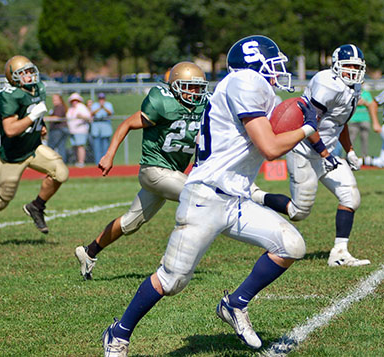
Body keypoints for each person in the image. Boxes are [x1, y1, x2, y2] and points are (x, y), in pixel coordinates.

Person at [101, 35, 318, 356]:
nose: (278, 71)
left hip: (236, 199)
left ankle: (235, 304)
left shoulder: (255, 90)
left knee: (290, 246)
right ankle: (118, 332)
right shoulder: (244, 81)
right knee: (172, 281)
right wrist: (306, 129)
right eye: (274, 64)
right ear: (256, 64)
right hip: (206, 198)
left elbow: (275, 129)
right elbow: (270, 148)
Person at [74, 62, 209, 280]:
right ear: (175, 87)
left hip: (171, 173)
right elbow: (126, 124)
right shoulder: (162, 102)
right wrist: (109, 155)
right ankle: (170, 261)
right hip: (154, 170)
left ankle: (89, 252)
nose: (195, 92)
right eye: (189, 87)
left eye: (198, 87)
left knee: (130, 223)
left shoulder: (204, 107)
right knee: (200, 198)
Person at [251, 44, 370, 267]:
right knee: (298, 213)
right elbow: (309, 124)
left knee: (351, 197)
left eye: (357, 66)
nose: (353, 71)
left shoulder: (353, 88)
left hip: (327, 154)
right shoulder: (327, 84)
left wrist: (350, 150)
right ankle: (255, 195)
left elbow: (339, 123)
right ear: (336, 67)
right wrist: (325, 153)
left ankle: (340, 252)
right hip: (304, 151)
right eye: (348, 66)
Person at [0, 55, 69, 247]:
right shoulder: (8, 94)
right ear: (13, 77)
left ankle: (36, 206)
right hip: (13, 156)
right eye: (23, 73)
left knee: (61, 172)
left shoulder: (38, 88)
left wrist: (40, 127)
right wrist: (34, 117)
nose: (29, 75)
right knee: (1, 200)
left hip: (33, 148)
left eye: (30, 70)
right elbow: (10, 130)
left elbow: (34, 118)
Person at [66, 92, 91, 167]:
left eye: (76, 100)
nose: (74, 102)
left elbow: (88, 117)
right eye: (73, 100)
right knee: (74, 146)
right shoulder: (70, 109)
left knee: (80, 146)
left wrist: (81, 116)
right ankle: (76, 160)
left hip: (80, 130)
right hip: (72, 130)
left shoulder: (81, 107)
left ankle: (81, 161)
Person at [88, 92, 114, 164]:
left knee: (105, 147)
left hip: (106, 128)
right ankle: (97, 163)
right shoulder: (95, 105)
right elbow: (92, 113)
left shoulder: (108, 104)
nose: (101, 100)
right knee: (97, 148)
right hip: (96, 128)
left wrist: (104, 107)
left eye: (102, 98)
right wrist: (100, 107)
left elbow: (110, 113)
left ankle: (105, 162)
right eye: (100, 98)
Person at [347, 86, 373, 157]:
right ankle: (349, 156)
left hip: (365, 119)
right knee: (350, 139)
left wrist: (364, 102)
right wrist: (356, 102)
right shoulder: (352, 93)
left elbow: (371, 105)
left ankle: (364, 157)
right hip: (353, 119)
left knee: (365, 139)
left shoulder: (366, 93)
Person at [45, 94, 69, 162]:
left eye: (55, 99)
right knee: (61, 147)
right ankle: (62, 162)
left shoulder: (60, 107)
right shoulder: (57, 107)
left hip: (58, 129)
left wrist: (46, 118)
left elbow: (57, 117)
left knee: (51, 147)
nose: (53, 101)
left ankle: (51, 162)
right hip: (61, 129)